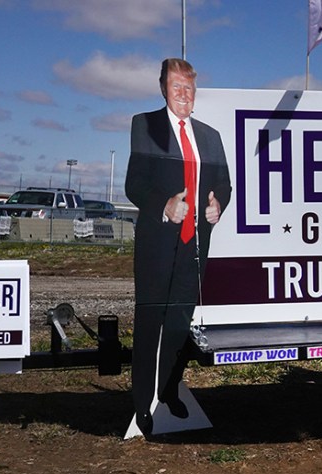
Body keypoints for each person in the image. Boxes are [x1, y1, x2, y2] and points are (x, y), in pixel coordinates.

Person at [125, 58, 232, 436]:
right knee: (150, 325)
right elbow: (134, 184)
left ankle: (169, 390)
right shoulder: (146, 126)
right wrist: (165, 204)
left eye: (189, 88)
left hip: (194, 248)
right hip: (157, 246)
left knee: (178, 327)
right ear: (163, 90)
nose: (183, 95)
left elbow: (224, 184)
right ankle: (142, 405)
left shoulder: (210, 136)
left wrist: (219, 203)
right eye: (176, 88)